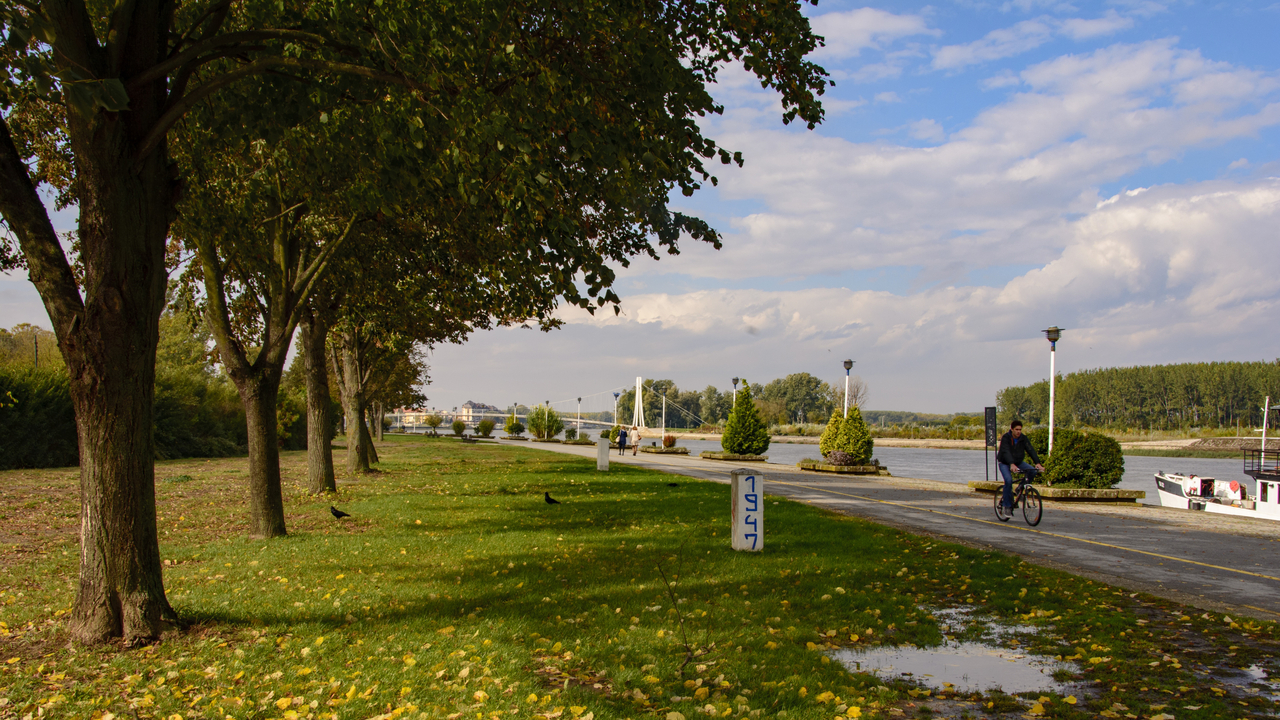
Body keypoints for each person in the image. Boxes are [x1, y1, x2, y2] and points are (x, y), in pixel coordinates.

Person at [997, 420, 1044, 511]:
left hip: (1018, 462)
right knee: (1008, 481)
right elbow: (1006, 451)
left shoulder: (1023, 438)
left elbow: (1031, 450)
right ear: (1012, 429)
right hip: (1005, 463)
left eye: (1020, 429)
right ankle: (1007, 506)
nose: (1018, 431)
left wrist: (1037, 463)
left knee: (1032, 471)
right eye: (1016, 429)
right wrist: (1011, 464)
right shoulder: (1006, 438)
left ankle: (1020, 488)